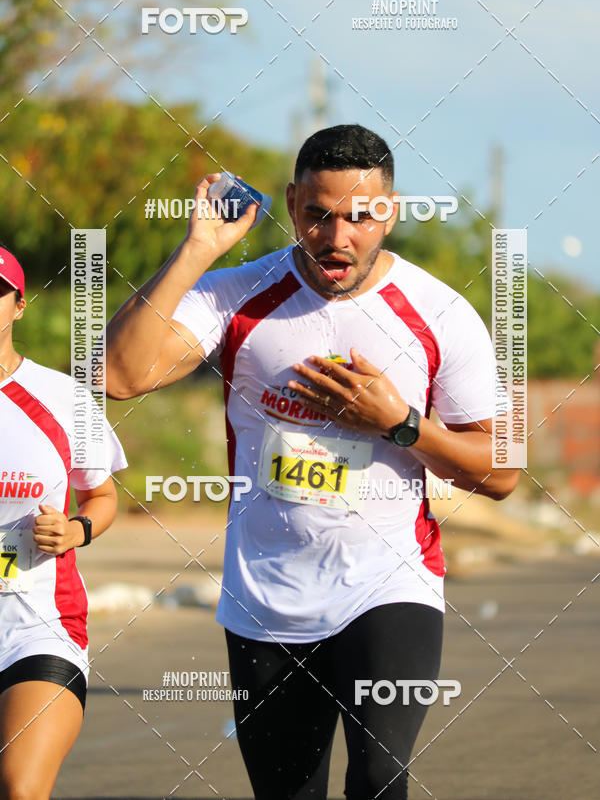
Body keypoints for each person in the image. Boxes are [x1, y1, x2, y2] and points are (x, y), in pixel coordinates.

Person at [105, 124, 519, 800]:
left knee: (379, 779)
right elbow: (118, 375)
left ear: (390, 212)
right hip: (265, 598)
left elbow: (501, 472)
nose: (337, 237)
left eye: (360, 217)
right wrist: (197, 250)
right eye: (319, 215)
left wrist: (400, 424)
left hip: (389, 585)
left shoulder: (440, 313)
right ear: (293, 204)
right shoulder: (237, 295)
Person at [0, 245, 127, 799]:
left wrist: (77, 530)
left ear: (19, 305)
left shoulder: (61, 397)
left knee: (20, 788)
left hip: (37, 627)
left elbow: (102, 495)